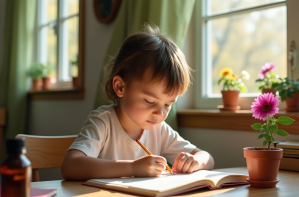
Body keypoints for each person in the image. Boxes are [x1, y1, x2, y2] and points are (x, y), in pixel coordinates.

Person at [61, 24, 214, 180]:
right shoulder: (103, 122)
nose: (160, 113)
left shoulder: (159, 130)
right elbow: (70, 166)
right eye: (150, 100)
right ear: (120, 87)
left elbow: (208, 158)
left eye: (168, 104)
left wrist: (196, 161)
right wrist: (132, 167)